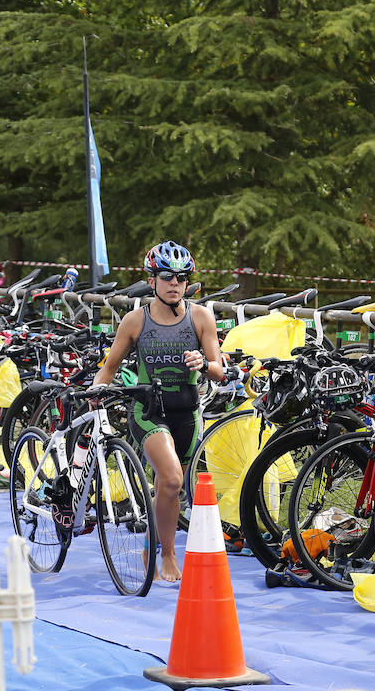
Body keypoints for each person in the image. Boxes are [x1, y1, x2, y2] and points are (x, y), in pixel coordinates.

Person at [92, 241, 224, 582]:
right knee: (171, 479)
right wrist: (96, 392)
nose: (175, 283)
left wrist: (204, 363)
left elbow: (219, 369)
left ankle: (152, 543)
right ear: (152, 280)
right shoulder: (136, 321)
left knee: (169, 489)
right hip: (148, 412)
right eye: (167, 276)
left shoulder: (201, 316)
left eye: (181, 277)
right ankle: (166, 554)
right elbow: (108, 369)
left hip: (188, 413)